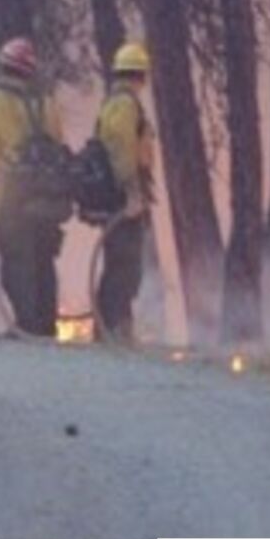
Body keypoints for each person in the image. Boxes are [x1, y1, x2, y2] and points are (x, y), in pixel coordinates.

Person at [0, 37, 67, 338]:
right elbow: (58, 143)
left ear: (3, 65)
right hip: (48, 195)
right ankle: (47, 325)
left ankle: (28, 325)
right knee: (44, 261)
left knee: (18, 261)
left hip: (13, 195)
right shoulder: (45, 103)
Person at [96, 42, 156, 341]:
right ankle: (112, 328)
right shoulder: (125, 105)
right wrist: (132, 193)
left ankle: (115, 327)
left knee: (123, 264)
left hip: (120, 195)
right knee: (125, 265)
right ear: (140, 75)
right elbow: (121, 149)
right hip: (122, 198)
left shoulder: (117, 102)